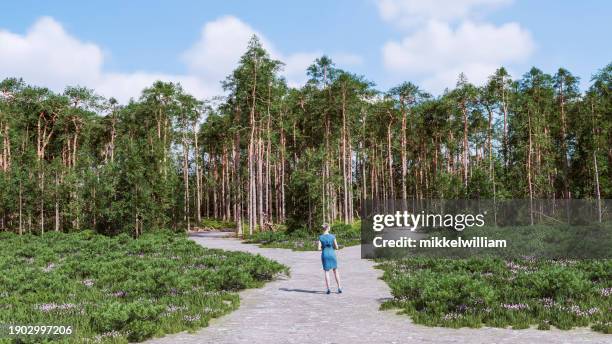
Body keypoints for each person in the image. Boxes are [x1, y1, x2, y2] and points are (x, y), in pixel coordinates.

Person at [317, 223, 342, 294]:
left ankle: (328, 289)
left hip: (325, 254)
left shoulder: (320, 237)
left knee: (326, 272)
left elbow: (318, 248)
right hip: (332, 254)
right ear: (328, 228)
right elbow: (337, 247)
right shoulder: (333, 236)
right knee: (335, 271)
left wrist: (323, 247)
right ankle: (339, 287)